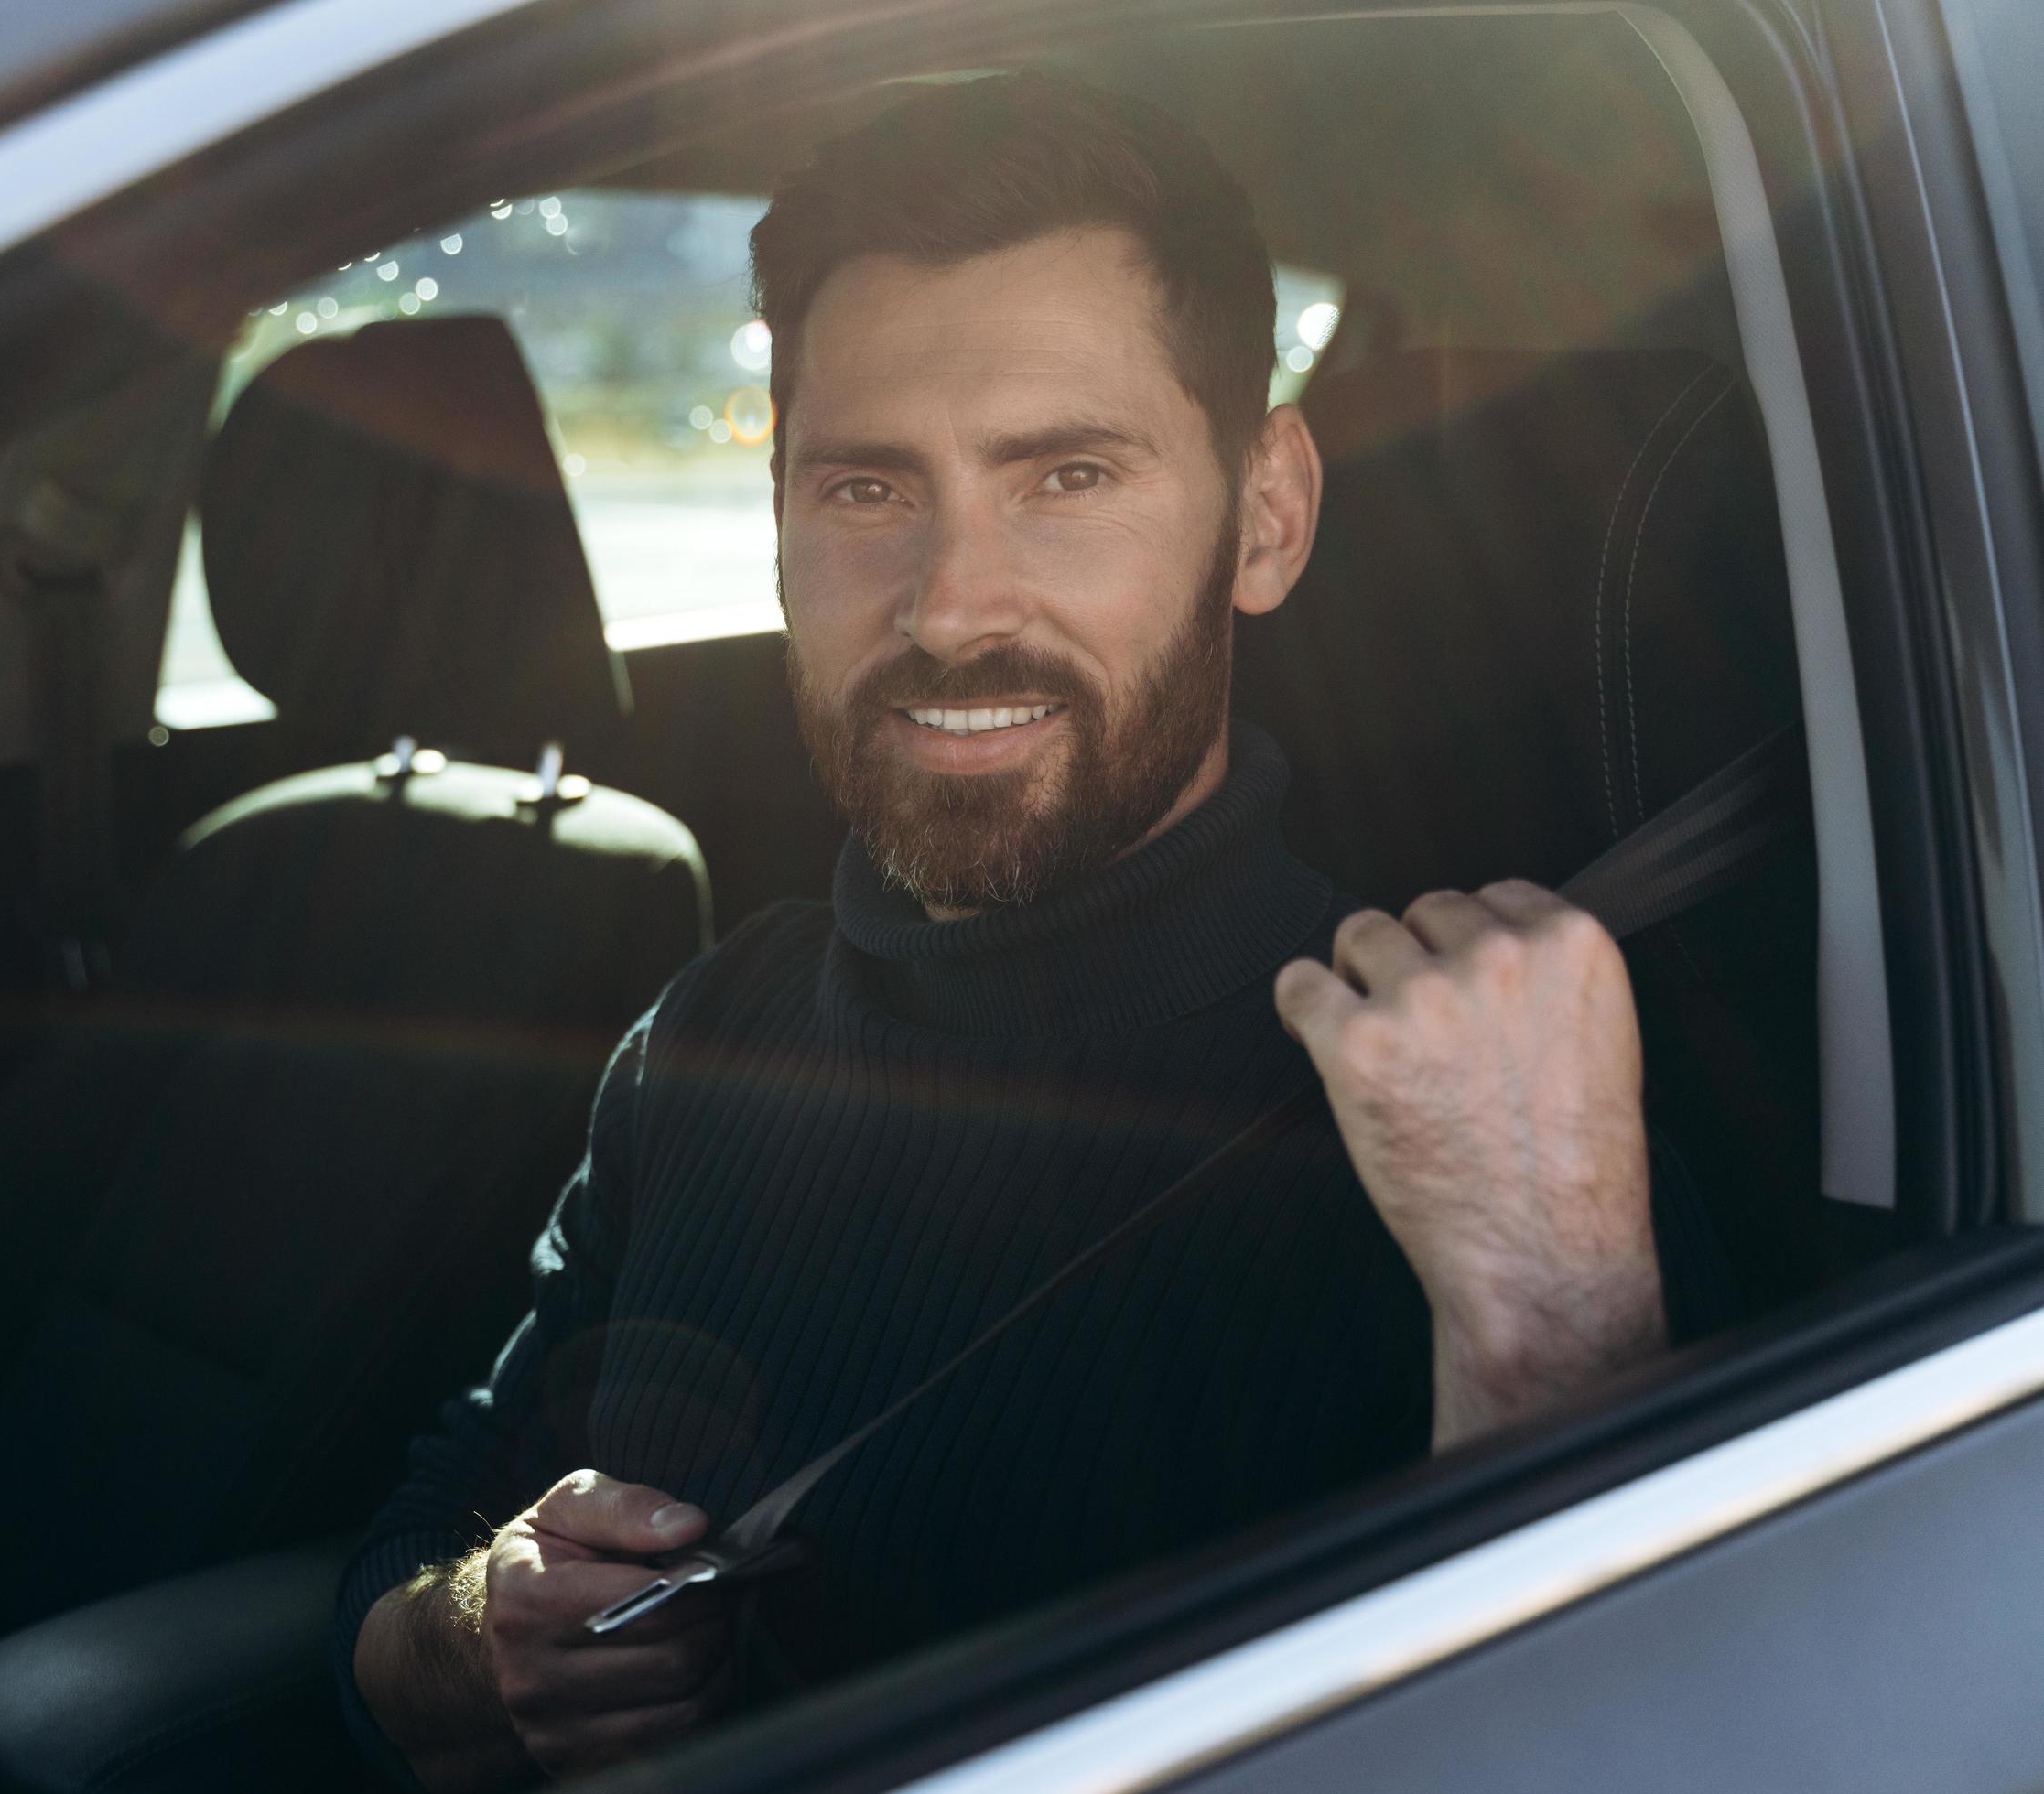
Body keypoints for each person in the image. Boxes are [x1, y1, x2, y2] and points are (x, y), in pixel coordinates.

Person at [335, 72, 1735, 1790]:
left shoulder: (1499, 1121)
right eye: (864, 489)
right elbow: (406, 1560)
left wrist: (1551, 1332)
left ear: (1268, 517)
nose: (950, 607)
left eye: (1066, 474)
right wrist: (479, 1634)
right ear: (778, 522)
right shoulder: (710, 1028)